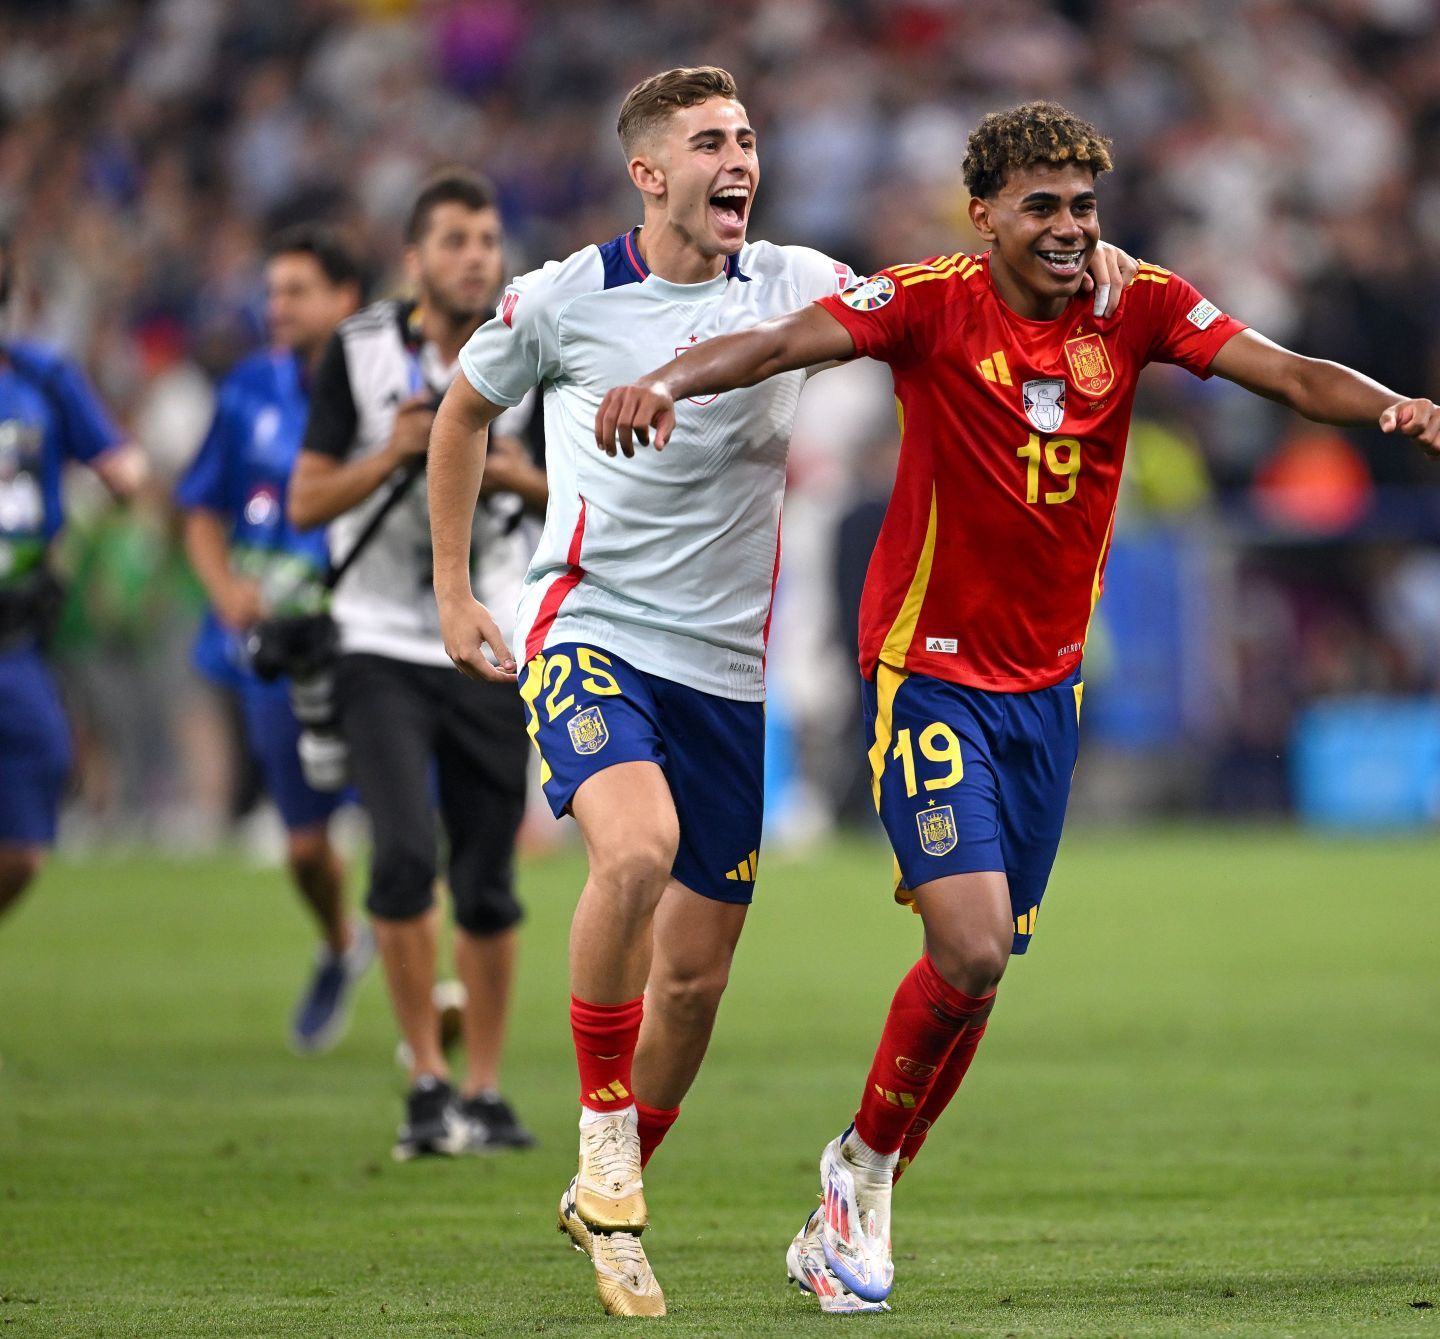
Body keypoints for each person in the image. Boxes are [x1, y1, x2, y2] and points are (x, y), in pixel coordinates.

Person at [594, 99, 1440, 1311]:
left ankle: (863, 1167)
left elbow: (1282, 370)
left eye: (1084, 208)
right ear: (984, 212)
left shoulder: (1137, 298)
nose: (1069, 230)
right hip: (927, 670)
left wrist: (1384, 407)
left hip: (1045, 689)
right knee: (972, 940)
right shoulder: (929, 299)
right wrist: (667, 379)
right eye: (1042, 207)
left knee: (979, 975)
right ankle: (860, 1189)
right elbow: (784, 343)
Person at [430, 68, 1139, 1318]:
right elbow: (464, 411)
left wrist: (1091, 251)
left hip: (726, 673)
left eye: (748, 136)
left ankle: (615, 1195)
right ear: (650, 173)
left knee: (696, 980)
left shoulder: (799, 279)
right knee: (634, 851)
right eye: (710, 140)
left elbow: (962, 279)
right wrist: (452, 589)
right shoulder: (560, 300)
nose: (738, 156)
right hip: (590, 629)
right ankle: (602, 1140)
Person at [288, 169, 547, 1160]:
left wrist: (502, 464)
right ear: (413, 259)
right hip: (380, 638)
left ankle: (481, 1089)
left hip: (493, 633)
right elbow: (309, 500)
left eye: (487, 238)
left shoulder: (536, 342)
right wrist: (395, 454)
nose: (475, 255)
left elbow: (582, 482)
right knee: (401, 854)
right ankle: (424, 1081)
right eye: (454, 240)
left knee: (487, 875)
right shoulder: (356, 354)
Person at [175, 225, 374, 1052]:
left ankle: (438, 1034)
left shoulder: (387, 391)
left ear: (345, 300)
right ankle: (340, 943)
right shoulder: (247, 391)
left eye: (295, 291)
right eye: (273, 291)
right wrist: (224, 590)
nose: (275, 307)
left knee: (411, 838)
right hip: (280, 654)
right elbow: (200, 506)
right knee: (301, 846)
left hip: (371, 643)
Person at [0, 231, 148, 921]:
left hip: (17, 632)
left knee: (27, 840)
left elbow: (123, 467)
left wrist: (112, 483)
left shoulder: (42, 377)